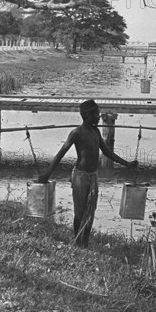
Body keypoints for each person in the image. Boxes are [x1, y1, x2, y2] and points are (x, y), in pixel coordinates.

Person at [37, 99, 138, 247]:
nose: (99, 116)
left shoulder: (96, 131)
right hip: (80, 176)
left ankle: (85, 241)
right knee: (79, 211)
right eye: (96, 114)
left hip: (93, 175)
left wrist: (127, 164)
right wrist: (48, 173)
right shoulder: (77, 133)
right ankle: (77, 240)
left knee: (91, 210)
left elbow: (107, 152)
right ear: (87, 115)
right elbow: (61, 154)